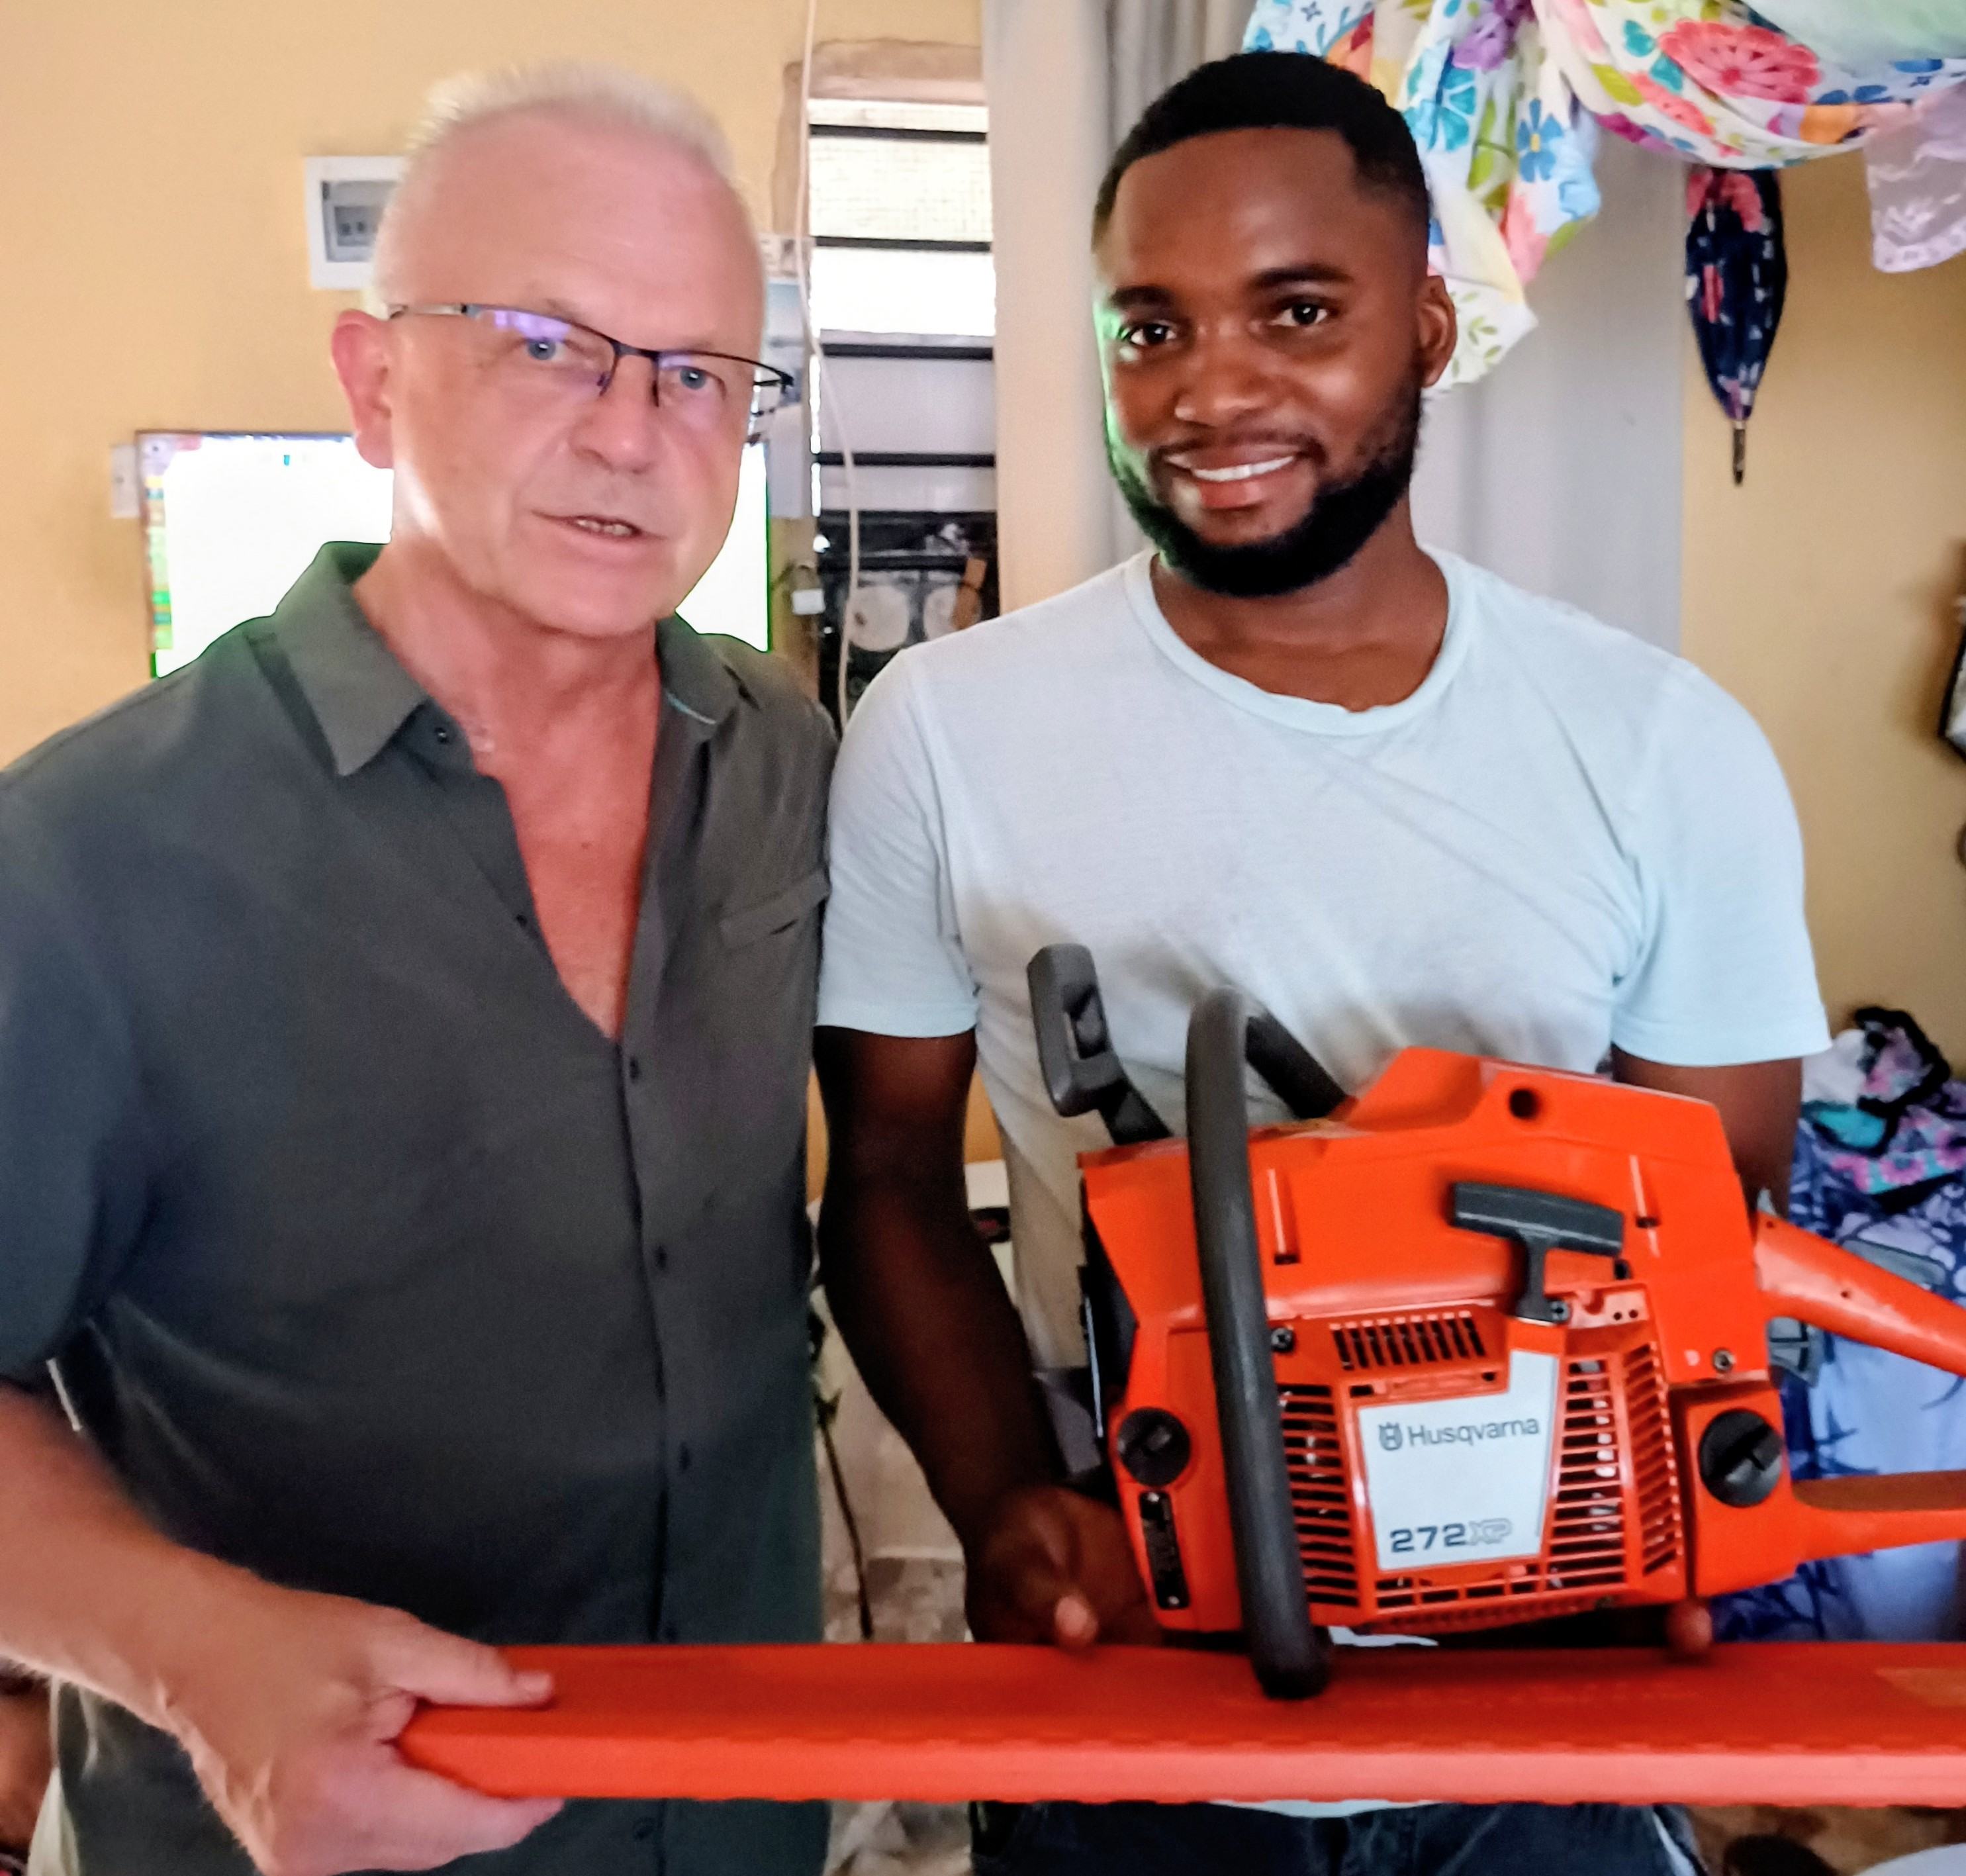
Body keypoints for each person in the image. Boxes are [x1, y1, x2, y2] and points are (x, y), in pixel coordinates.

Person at [816, 50, 1827, 1876]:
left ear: (1426, 329)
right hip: (1134, 1712)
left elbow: (1719, 1223)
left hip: (1542, 1723)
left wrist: (1645, 1521)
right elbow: (887, 1176)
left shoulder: (1660, 750)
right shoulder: (942, 733)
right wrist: (1007, 1507)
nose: (1211, 390)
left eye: (1296, 311)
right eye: (1150, 328)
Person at [0, 63, 831, 1876]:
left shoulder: (786, 759)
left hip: (742, 1814)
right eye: (549, 346)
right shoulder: (86, 854)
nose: (633, 435)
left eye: (701, 374)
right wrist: (195, 1654)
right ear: (374, 385)